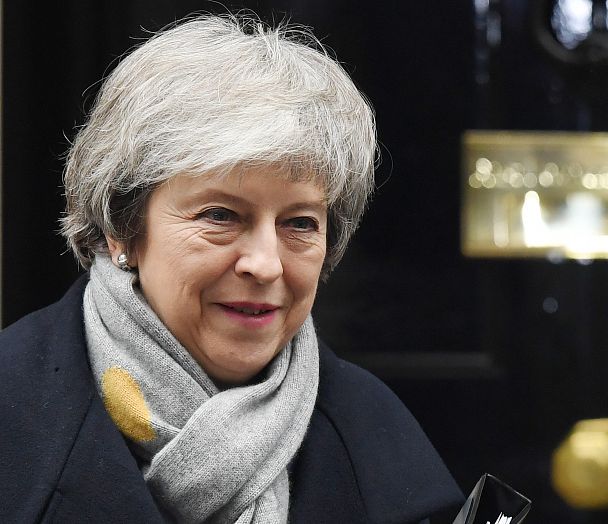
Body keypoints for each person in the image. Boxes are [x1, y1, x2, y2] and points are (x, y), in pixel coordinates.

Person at [0, 14, 463, 523]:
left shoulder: (378, 438)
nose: (265, 264)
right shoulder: (13, 405)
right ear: (121, 228)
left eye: (300, 223)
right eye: (220, 216)